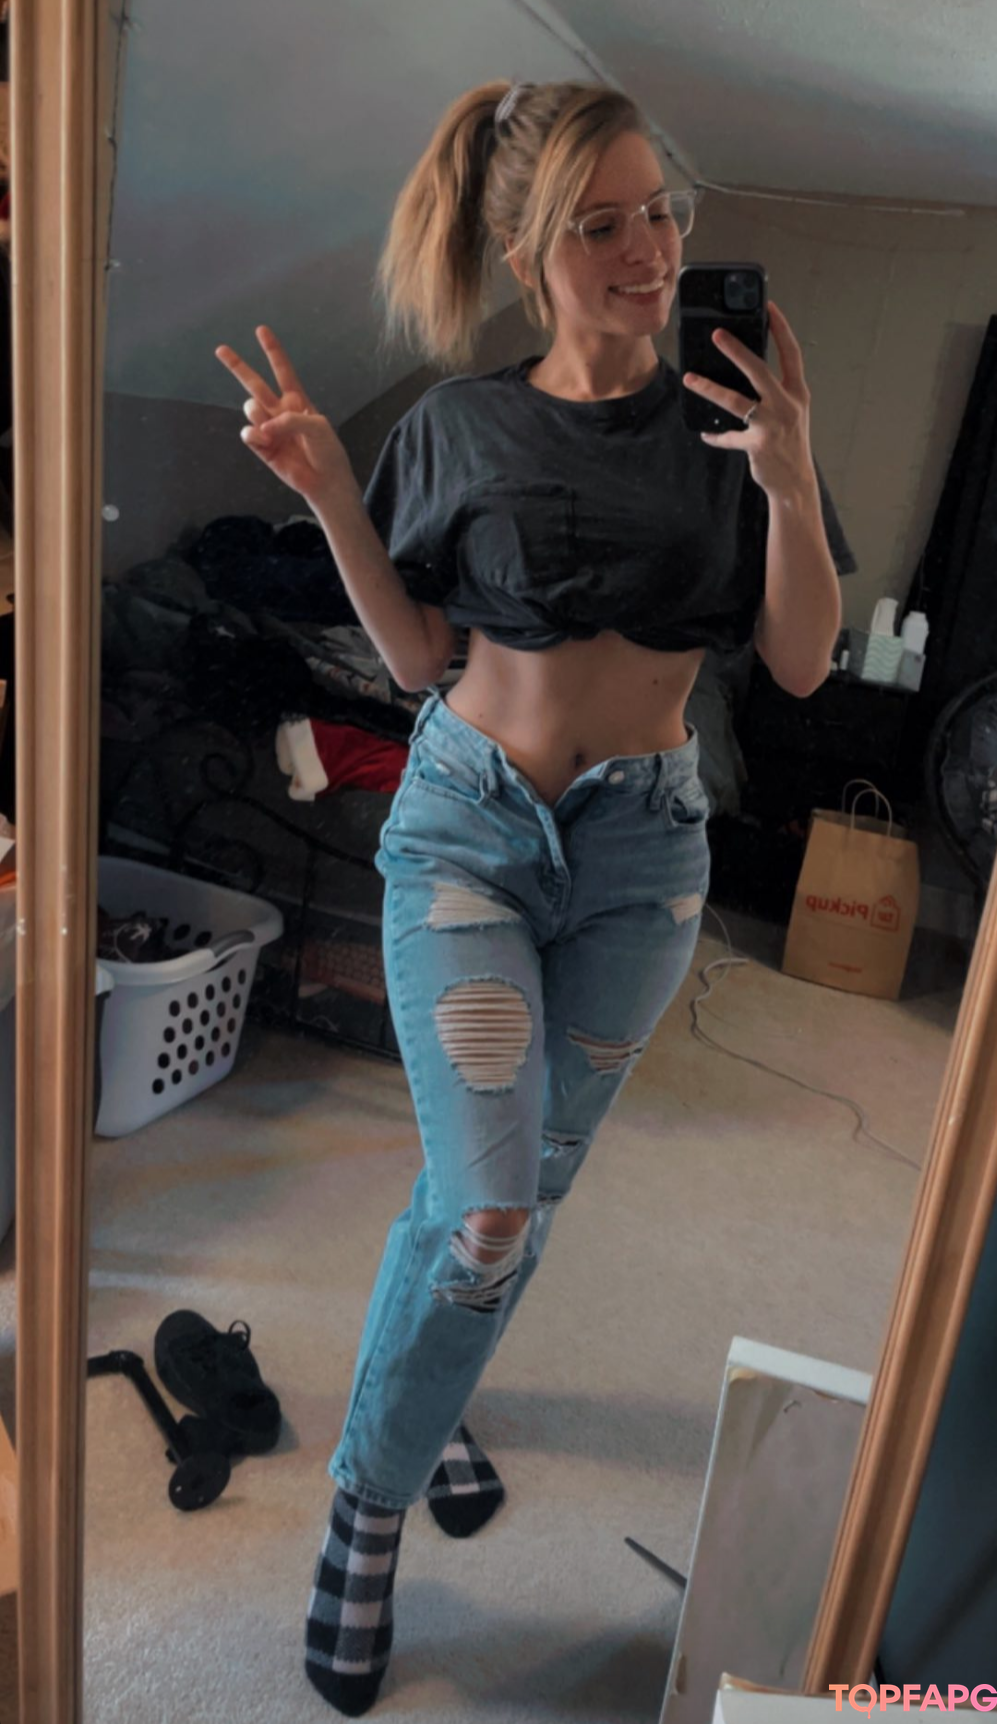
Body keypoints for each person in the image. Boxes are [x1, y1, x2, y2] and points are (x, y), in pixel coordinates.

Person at [217, 77, 854, 1718]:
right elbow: (418, 656)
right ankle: (369, 1508)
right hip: (470, 832)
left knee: (498, 1196)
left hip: (644, 858)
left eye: (665, 214)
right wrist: (331, 494)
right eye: (603, 224)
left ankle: (427, 1396)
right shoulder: (458, 424)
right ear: (524, 254)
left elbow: (799, 662)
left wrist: (791, 476)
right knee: (489, 1207)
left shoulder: (737, 418)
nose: (651, 251)